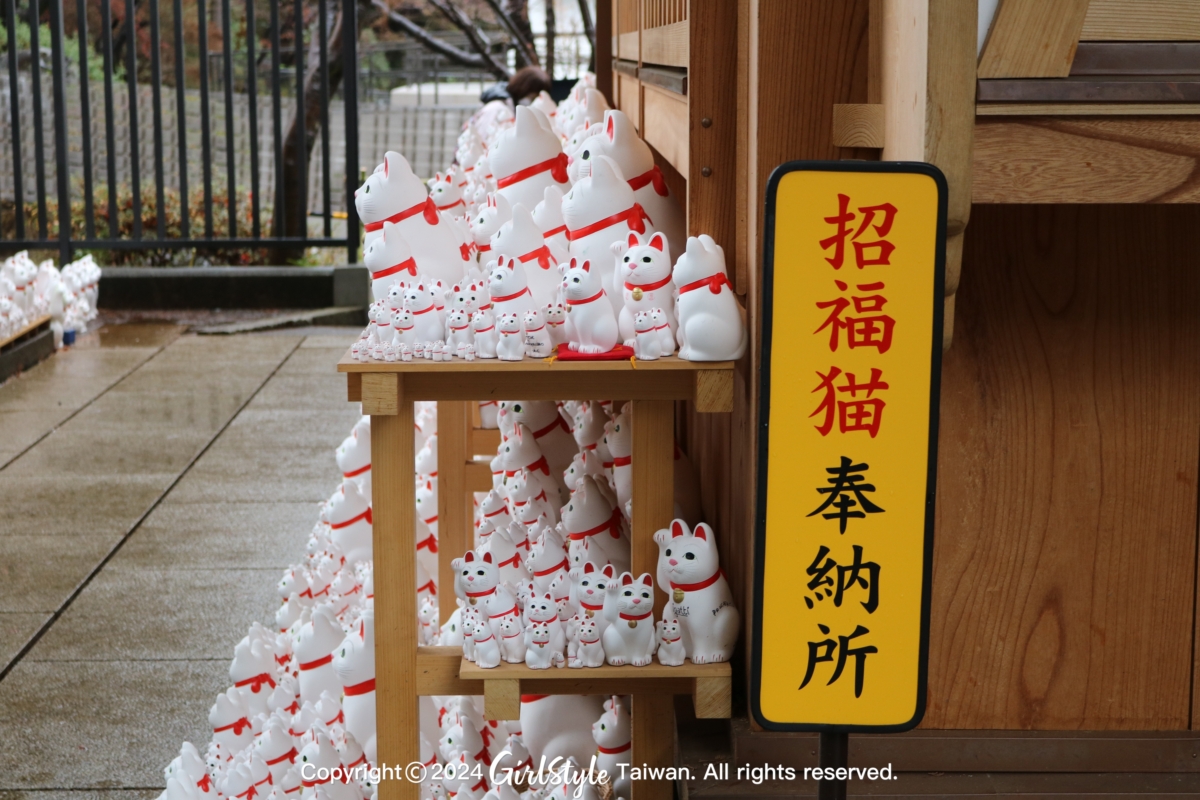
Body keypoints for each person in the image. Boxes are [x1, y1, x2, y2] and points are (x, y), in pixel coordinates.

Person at [480, 66, 552, 106]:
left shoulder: (508, 99)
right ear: (525, 88)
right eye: (532, 97)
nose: (532, 101)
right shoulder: (500, 104)